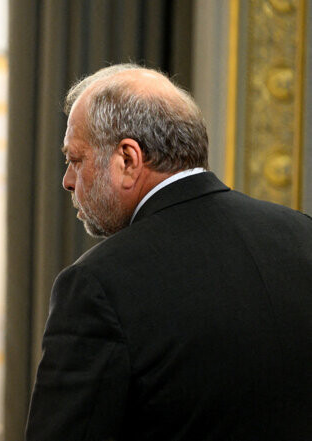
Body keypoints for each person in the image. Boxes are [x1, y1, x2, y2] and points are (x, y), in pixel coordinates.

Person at [25, 64, 312, 440]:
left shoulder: (97, 285)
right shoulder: (303, 234)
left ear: (128, 160)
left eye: (75, 159)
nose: (67, 180)